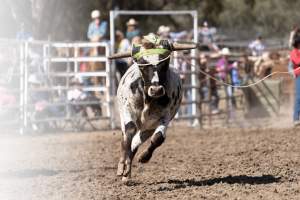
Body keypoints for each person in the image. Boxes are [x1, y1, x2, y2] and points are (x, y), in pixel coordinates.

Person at [289, 37, 300, 127]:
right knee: (299, 97)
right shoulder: (294, 52)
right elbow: (297, 61)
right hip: (299, 75)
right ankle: (296, 118)